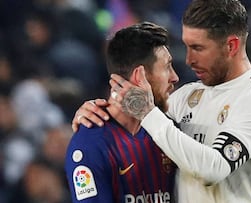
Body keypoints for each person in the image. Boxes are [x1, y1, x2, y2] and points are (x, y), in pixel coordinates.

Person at [73, 0, 251, 202]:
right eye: (186, 46)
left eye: (198, 48)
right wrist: (97, 113)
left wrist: (147, 112)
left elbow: (213, 169)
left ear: (231, 46)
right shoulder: (185, 97)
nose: (188, 60)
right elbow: (138, 121)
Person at [65, 22, 178, 202]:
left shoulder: (169, 131)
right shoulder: (90, 145)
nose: (175, 77)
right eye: (167, 67)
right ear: (139, 76)